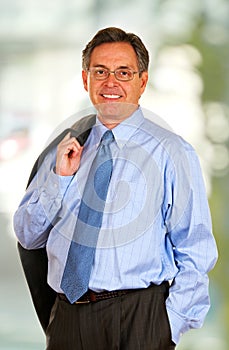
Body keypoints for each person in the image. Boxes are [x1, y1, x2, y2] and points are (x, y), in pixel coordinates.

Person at [14, 27, 218, 350]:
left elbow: (196, 250)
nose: (111, 83)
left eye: (123, 72)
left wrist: (168, 325)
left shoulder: (172, 152)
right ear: (86, 80)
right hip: (68, 319)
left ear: (142, 81)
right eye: (100, 72)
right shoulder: (65, 150)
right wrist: (60, 178)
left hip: (140, 319)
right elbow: (27, 235)